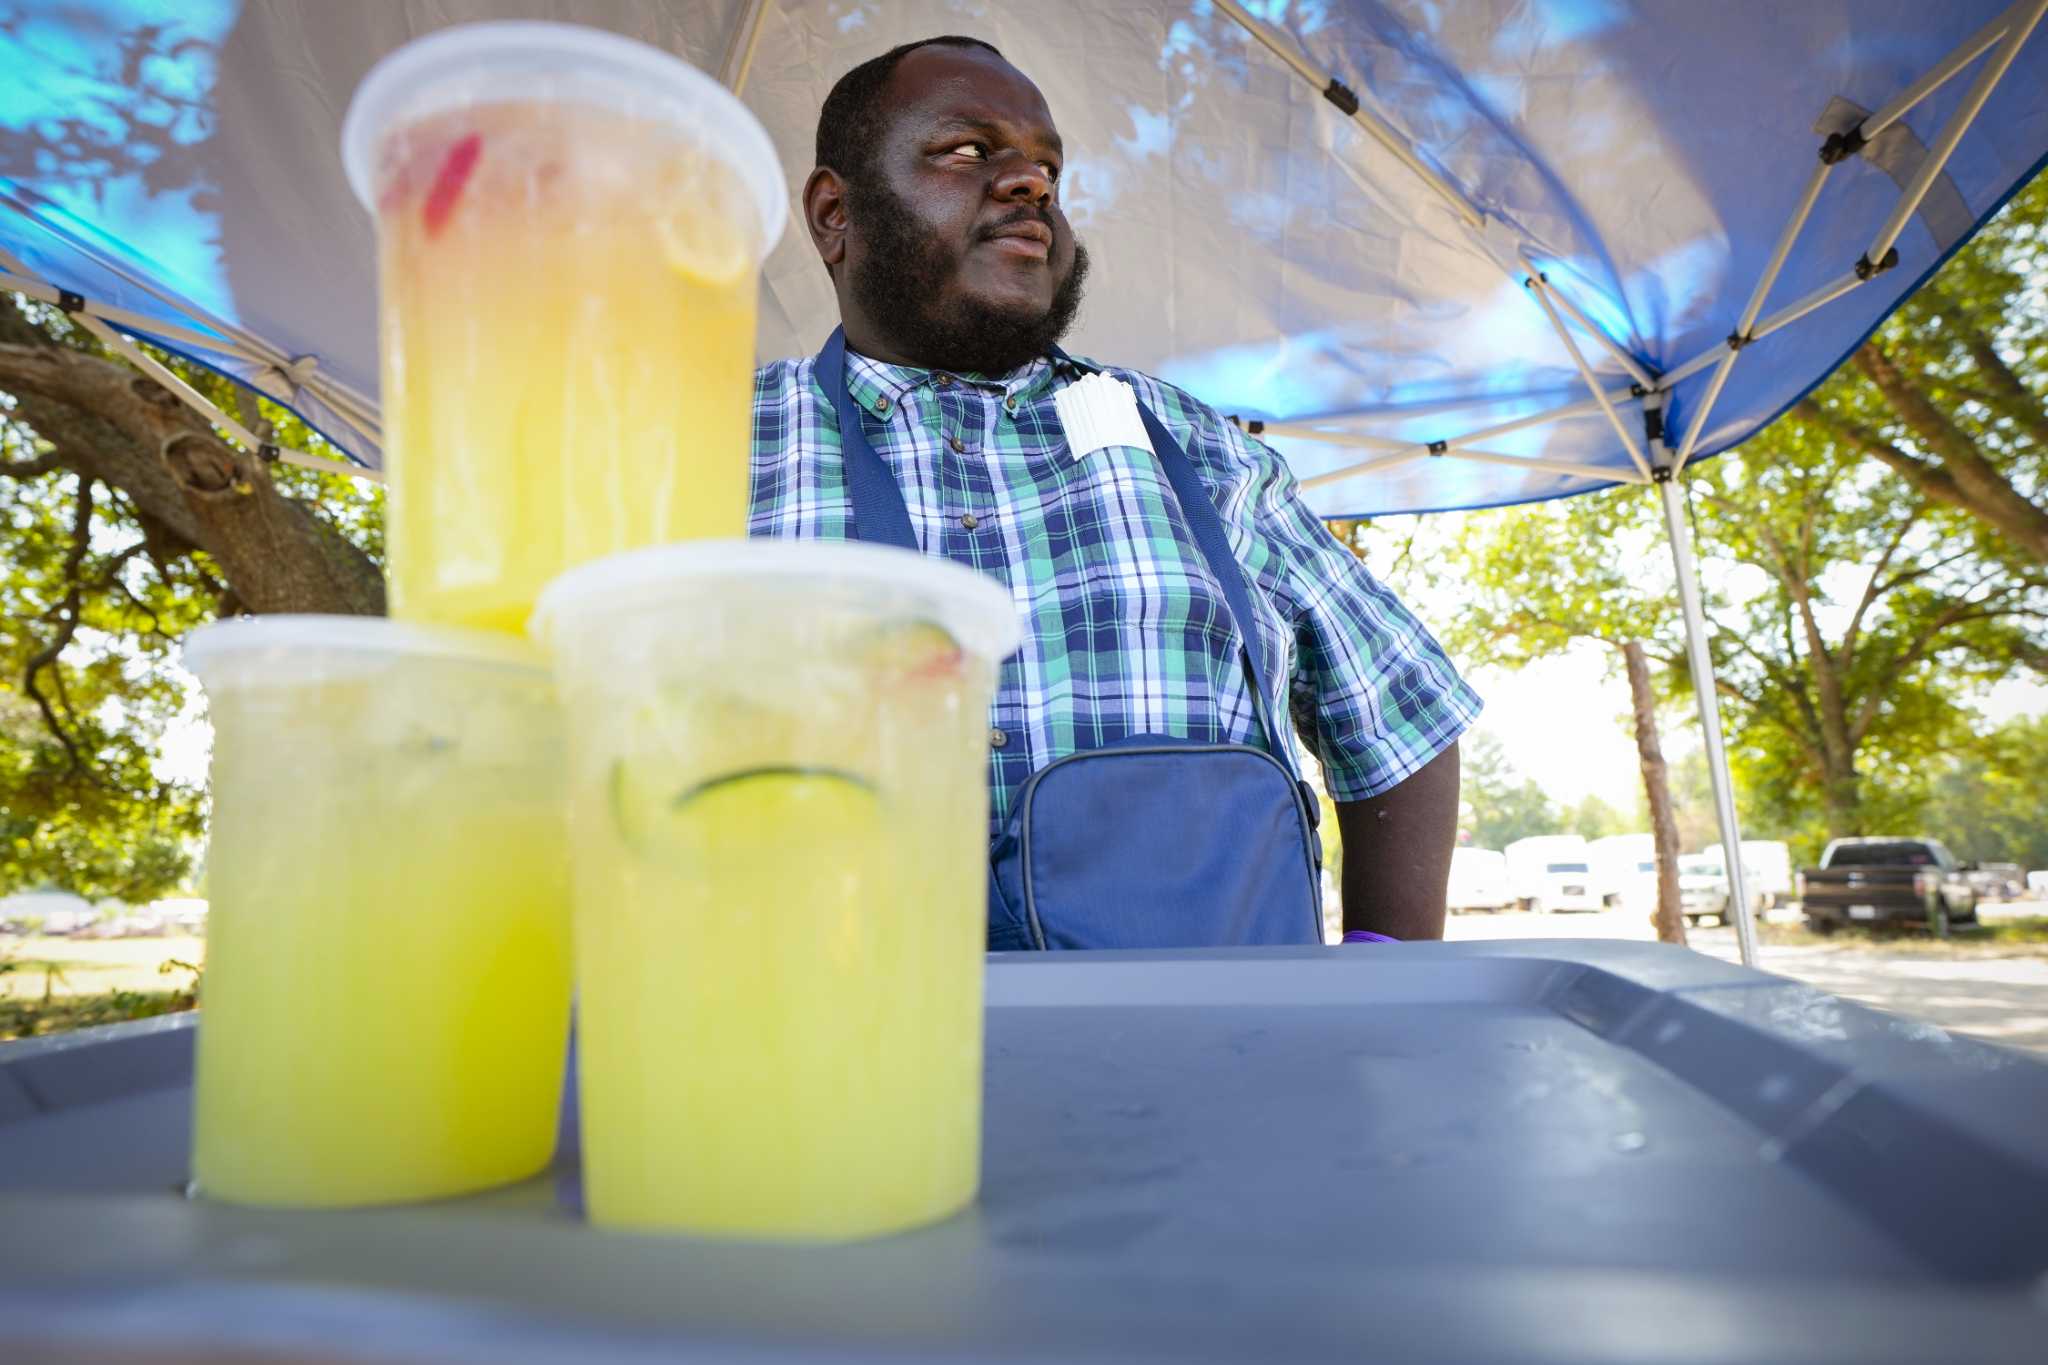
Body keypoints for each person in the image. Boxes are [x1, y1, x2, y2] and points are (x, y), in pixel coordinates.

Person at [752, 35, 1480, 947]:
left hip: (1214, 1071)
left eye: (1047, 166)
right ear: (833, 215)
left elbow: (1405, 708)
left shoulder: (1195, 445)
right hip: (832, 1067)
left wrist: (1389, 980)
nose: (1030, 185)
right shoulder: (717, 445)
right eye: (968, 151)